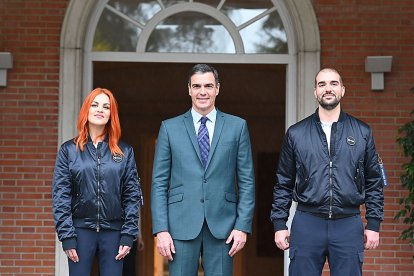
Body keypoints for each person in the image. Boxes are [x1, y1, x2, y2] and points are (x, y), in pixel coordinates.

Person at [270, 68, 384, 276]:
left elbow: (374, 182)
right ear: (315, 92)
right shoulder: (296, 133)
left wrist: (374, 223)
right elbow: (283, 182)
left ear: (342, 90)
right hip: (307, 222)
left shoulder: (362, 132)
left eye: (333, 83)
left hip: (348, 224)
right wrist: (279, 223)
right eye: (322, 84)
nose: (328, 89)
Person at [151, 64, 255, 275]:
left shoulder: (238, 127)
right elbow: (159, 183)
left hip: (223, 226)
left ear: (218, 88)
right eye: (196, 86)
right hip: (180, 225)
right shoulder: (169, 128)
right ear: (189, 89)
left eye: (208, 86)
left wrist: (242, 226)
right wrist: (161, 229)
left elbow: (247, 181)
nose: (202, 92)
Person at [52, 88, 143, 276]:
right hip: (80, 231)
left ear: (111, 114)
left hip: (114, 233)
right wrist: (67, 236)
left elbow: (132, 196)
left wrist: (128, 235)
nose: (100, 109)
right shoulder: (68, 151)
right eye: (95, 105)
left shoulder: (125, 152)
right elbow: (61, 196)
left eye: (106, 106)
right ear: (86, 110)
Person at [123, 211, 144, 276]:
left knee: (130, 267)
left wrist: (139, 236)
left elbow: (137, 216)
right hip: (114, 236)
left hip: (131, 236)